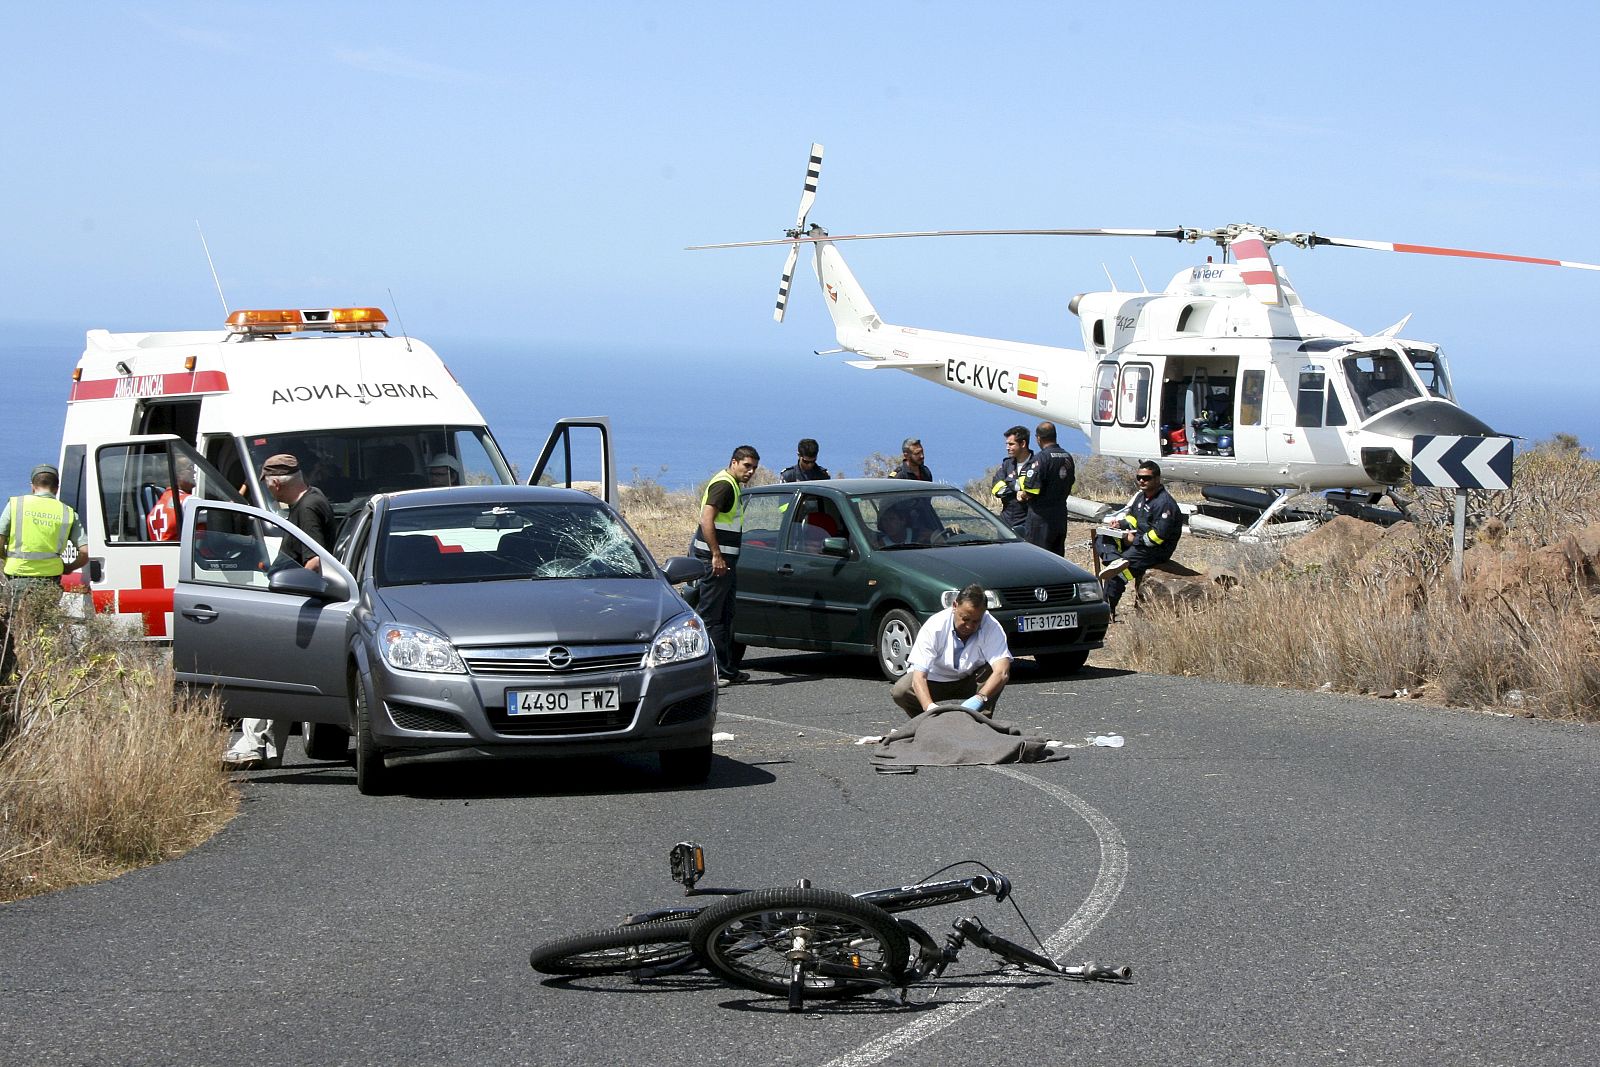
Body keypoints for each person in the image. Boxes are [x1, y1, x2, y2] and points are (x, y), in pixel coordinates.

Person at [224, 453, 339, 769]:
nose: (269, 489)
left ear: (275, 483)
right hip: (299, 603)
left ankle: (252, 744)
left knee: (266, 672)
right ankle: (266, 749)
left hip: (298, 603)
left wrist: (291, 577)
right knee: (282, 676)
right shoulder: (310, 501)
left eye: (268, 484)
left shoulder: (309, 507)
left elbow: (317, 557)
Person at [691, 445, 759, 687]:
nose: (750, 472)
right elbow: (706, 518)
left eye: (754, 468)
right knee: (711, 616)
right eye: (746, 466)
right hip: (716, 562)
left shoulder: (733, 485)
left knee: (725, 614)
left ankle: (726, 670)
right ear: (734, 462)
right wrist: (716, 555)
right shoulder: (724, 484)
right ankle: (709, 671)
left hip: (727, 562)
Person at [890, 583, 1012, 718]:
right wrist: (929, 708)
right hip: (935, 680)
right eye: (965, 619)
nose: (969, 626)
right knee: (901, 690)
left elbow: (1002, 672)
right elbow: (919, 676)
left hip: (971, 681)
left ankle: (980, 722)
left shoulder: (991, 626)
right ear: (954, 606)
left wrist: (979, 698)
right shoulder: (935, 625)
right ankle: (927, 723)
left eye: (976, 621)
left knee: (996, 672)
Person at [1096, 460, 1183, 613]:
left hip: (1155, 550)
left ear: (1157, 479)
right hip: (1137, 543)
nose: (1142, 481)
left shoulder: (1165, 504)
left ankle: (1107, 611)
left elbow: (1158, 537)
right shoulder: (1140, 497)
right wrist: (1121, 525)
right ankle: (1116, 561)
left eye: (1147, 478)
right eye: (1139, 477)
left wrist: (1133, 540)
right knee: (1103, 538)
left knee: (1117, 575)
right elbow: (1133, 519)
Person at [0, 464, 87, 603]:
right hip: (50, 581)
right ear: (56, 489)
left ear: (32, 486)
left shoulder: (16, 504)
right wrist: (69, 568)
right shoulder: (68, 512)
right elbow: (85, 552)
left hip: (18, 578)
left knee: (17, 623)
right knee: (45, 623)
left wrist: (5, 557)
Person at [1020, 421, 1074, 555]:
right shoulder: (1067, 457)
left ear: (1038, 438)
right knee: (1057, 558)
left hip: (1041, 519)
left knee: (1038, 558)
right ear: (1055, 436)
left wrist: (1022, 495)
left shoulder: (1041, 459)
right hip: (1060, 516)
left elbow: (1031, 490)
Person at [992, 425, 1032, 534]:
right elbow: (996, 489)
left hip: (1028, 524)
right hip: (1005, 524)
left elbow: (1034, 487)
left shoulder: (1036, 464)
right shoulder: (1007, 464)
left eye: (1011, 444)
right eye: (1007, 444)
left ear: (1023, 444)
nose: (1007, 447)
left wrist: (1008, 483)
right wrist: (1017, 489)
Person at [145, 457, 197, 541]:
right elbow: (218, 516)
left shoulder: (155, 509)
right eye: (190, 468)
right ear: (177, 474)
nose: (194, 472)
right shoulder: (188, 501)